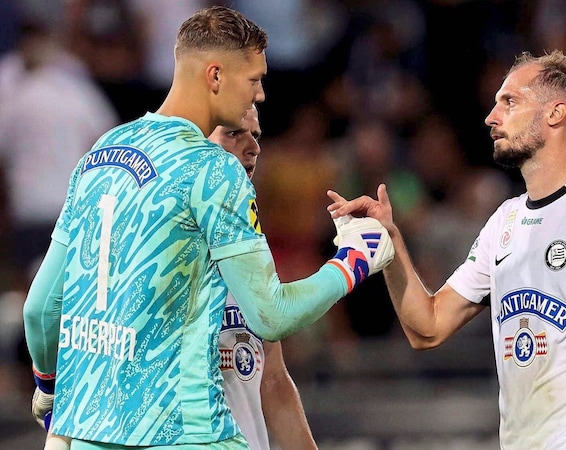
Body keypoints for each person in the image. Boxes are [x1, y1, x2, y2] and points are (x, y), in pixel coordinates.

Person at [22, 5, 393, 450]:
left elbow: (41, 309)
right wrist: (355, 259)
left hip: (87, 432)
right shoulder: (212, 170)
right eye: (254, 80)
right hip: (185, 433)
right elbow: (270, 315)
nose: (260, 96)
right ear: (215, 75)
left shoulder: (100, 152)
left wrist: (48, 385)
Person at [328, 50, 566, 449]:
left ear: (555, 113)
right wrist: (390, 242)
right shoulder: (504, 222)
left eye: (509, 101)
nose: (491, 116)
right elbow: (427, 327)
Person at [208, 106, 317, 450]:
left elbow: (271, 380)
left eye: (255, 136)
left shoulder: (251, 250)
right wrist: (354, 263)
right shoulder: (157, 251)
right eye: (234, 133)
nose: (253, 147)